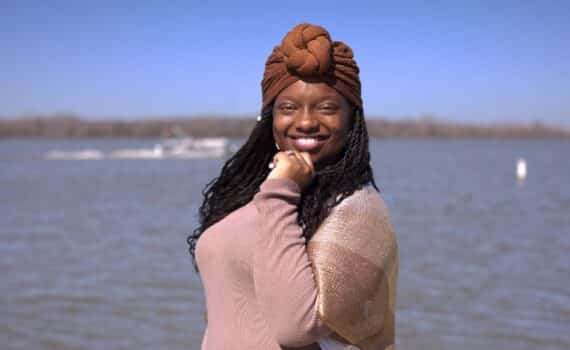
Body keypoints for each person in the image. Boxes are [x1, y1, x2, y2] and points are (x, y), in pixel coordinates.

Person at [187, 23, 398, 350]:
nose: (305, 121)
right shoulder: (262, 190)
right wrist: (280, 186)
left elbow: (294, 328)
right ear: (270, 118)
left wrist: (281, 192)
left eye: (327, 108)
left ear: (352, 119)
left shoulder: (357, 210)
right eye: (288, 108)